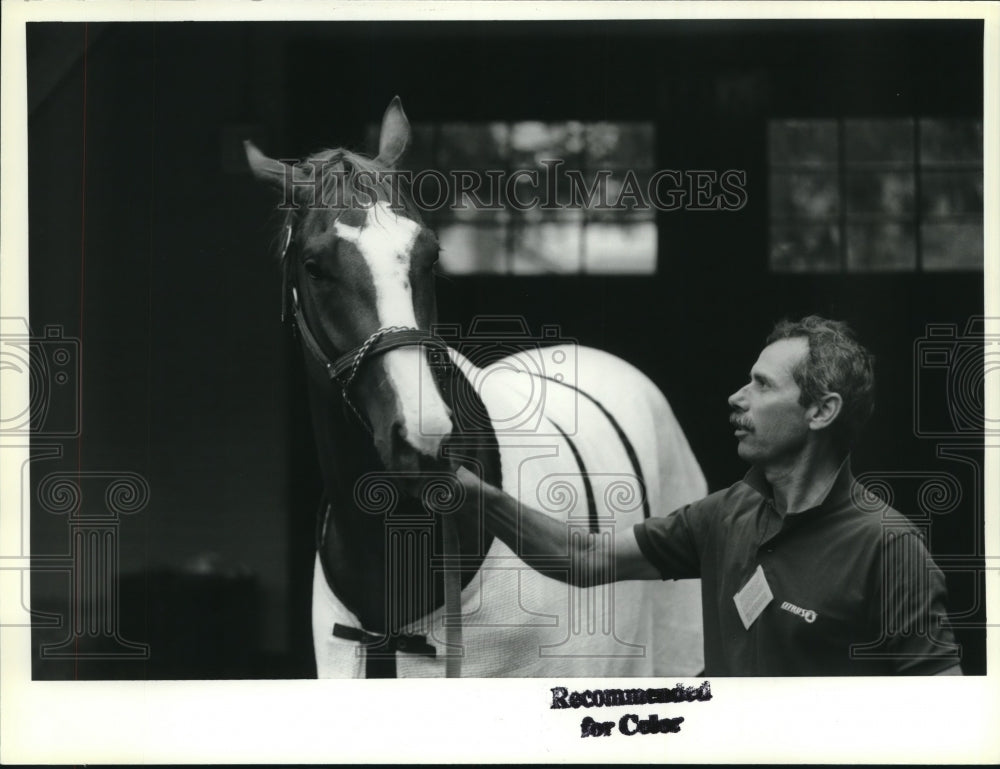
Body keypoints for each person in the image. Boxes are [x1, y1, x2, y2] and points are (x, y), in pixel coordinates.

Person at [452, 316, 962, 676]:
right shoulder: (726, 515)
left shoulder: (888, 545)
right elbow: (584, 559)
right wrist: (477, 495)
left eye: (761, 385)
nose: (736, 398)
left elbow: (944, 706)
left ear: (821, 411)